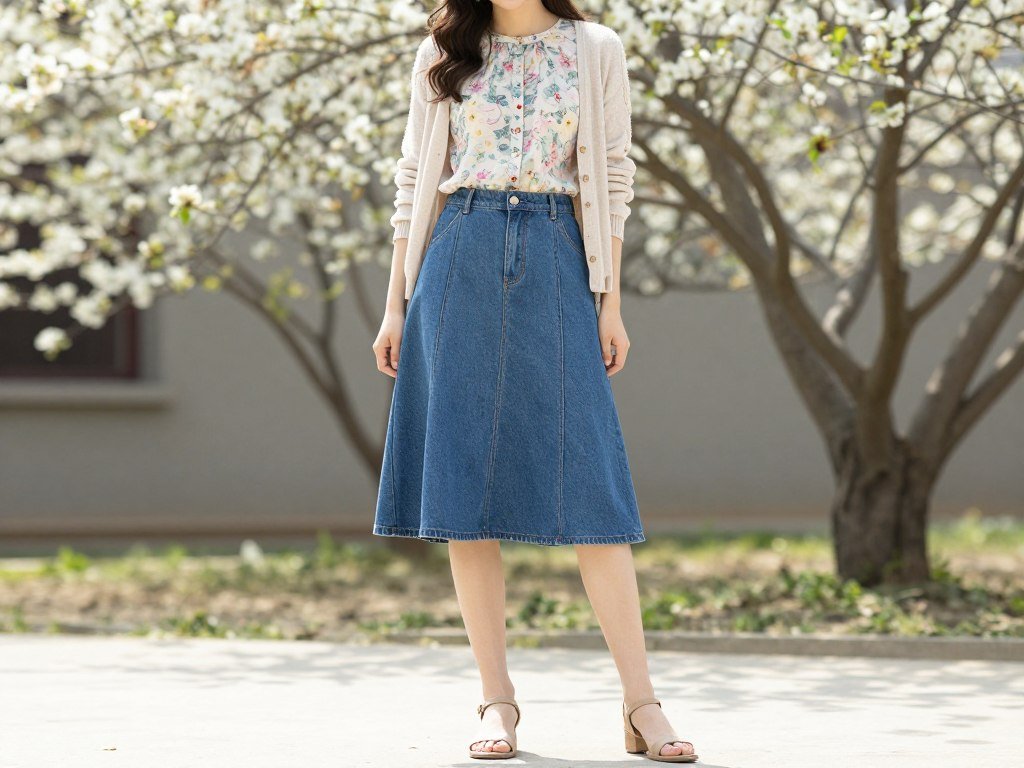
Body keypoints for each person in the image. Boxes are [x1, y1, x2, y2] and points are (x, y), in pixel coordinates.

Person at [371, 0, 698, 762]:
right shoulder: (444, 51)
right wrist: (396, 304)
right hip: (458, 253)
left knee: (592, 485)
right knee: (464, 488)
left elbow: (612, 171)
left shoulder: (595, 49)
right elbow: (416, 175)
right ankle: (497, 702)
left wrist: (609, 303)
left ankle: (641, 703)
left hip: (556, 250)